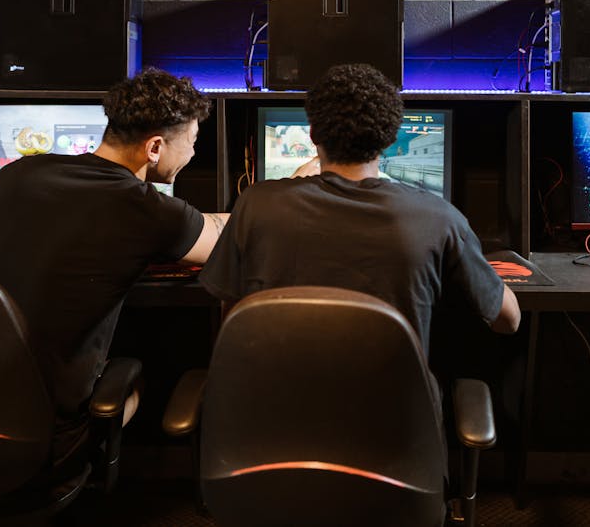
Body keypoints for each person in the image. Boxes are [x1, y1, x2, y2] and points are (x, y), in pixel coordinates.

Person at [199, 64, 520, 462]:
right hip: (396, 452)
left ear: (313, 135)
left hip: (274, 441)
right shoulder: (440, 218)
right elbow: (508, 321)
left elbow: (232, 321)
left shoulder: (255, 205)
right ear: (389, 140)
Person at [0, 67, 228, 487]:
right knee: (133, 381)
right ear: (155, 147)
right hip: (46, 439)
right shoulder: (148, 208)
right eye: (192, 143)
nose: (193, 154)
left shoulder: (17, 173)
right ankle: (84, 471)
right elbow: (222, 241)